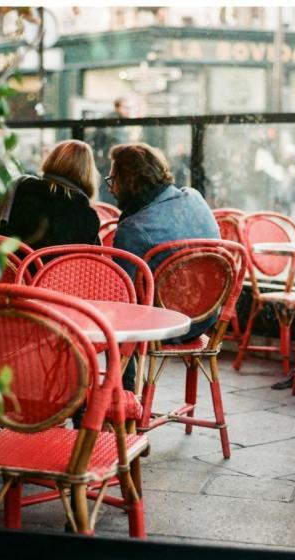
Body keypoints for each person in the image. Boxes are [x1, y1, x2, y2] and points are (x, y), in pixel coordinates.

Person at [106, 142, 220, 391]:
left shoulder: (133, 228)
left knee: (114, 315)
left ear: (130, 181)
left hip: (169, 326)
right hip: (208, 316)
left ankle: (121, 397)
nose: (112, 189)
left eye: (113, 179)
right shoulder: (195, 197)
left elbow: (123, 296)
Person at [0, 140, 100, 250]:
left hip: (13, 265)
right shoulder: (88, 216)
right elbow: (88, 261)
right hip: (58, 267)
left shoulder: (21, 187)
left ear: (52, 159)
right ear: (88, 173)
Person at [92, 97, 131, 205]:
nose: (128, 111)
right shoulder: (113, 123)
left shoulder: (119, 122)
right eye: (126, 107)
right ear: (117, 107)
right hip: (110, 162)